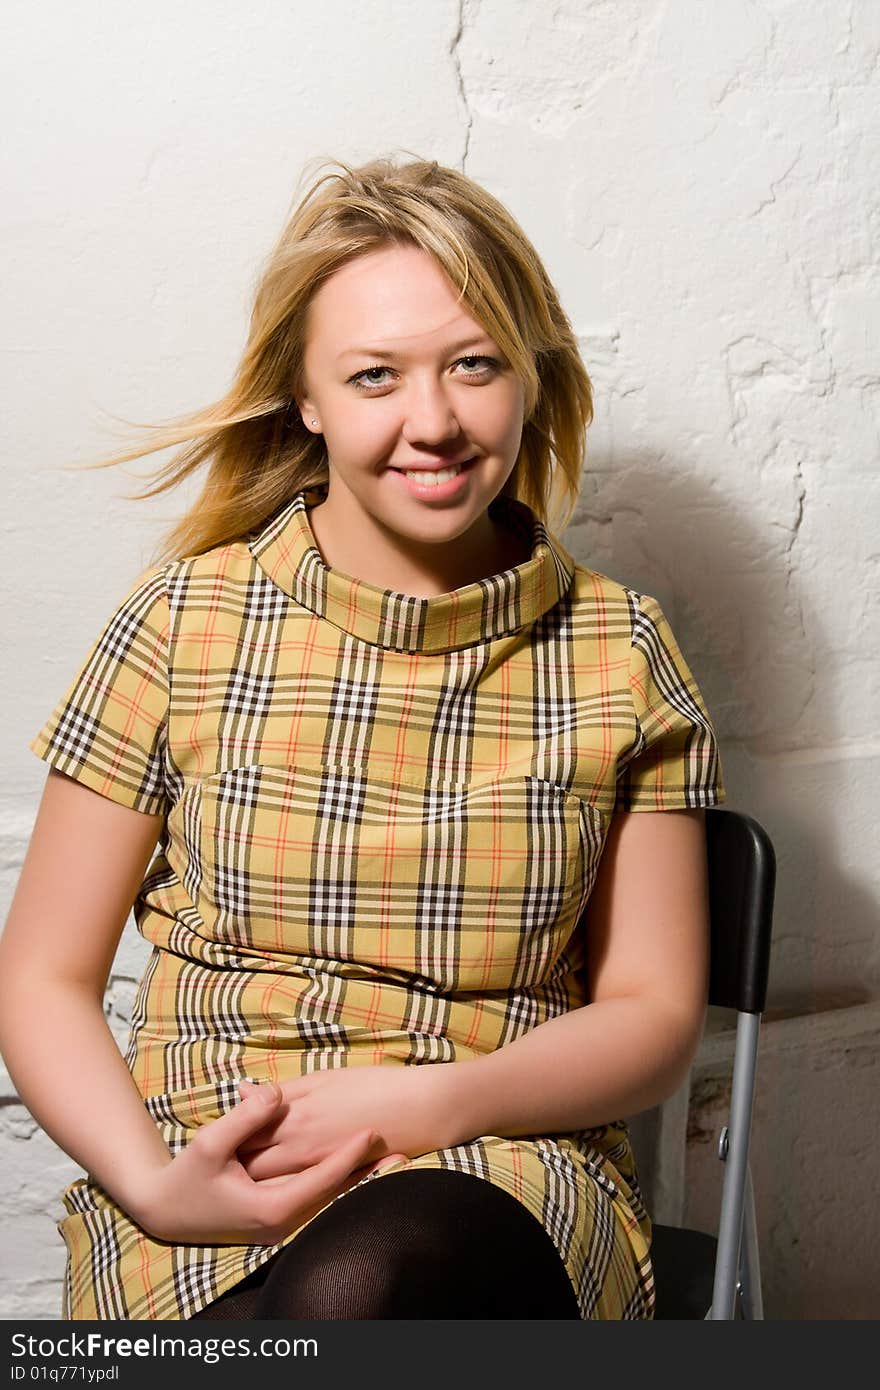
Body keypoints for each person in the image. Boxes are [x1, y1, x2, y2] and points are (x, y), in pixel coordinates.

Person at [0, 155, 723, 1322]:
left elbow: (650, 1013)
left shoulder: (617, 649)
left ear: (529, 379)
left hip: (501, 1157)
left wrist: (424, 1107)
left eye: (473, 365)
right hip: (207, 1163)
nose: (431, 422)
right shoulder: (183, 621)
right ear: (308, 397)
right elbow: (43, 974)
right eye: (375, 375)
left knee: (368, 1284)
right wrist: (152, 1182)